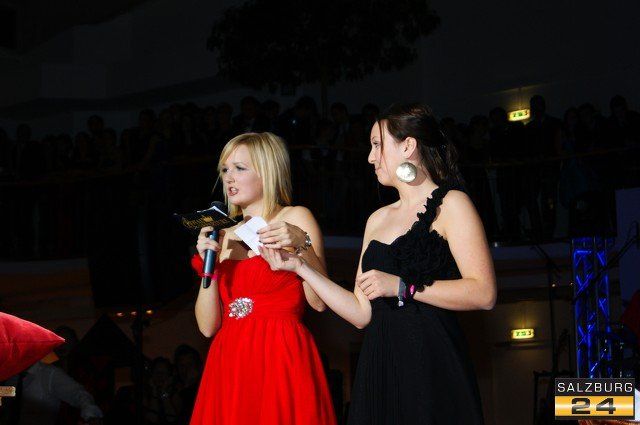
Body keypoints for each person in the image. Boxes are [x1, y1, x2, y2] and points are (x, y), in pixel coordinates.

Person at [260, 103, 496, 425]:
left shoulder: (452, 203)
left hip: (430, 361)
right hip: (379, 362)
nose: (371, 157)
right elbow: (361, 313)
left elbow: (483, 293)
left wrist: (402, 287)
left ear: (408, 146)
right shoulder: (376, 219)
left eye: (377, 145)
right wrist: (300, 266)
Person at [189, 132, 336, 425]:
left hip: (280, 351)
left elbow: (319, 303)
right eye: (225, 169)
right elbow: (207, 327)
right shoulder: (221, 235)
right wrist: (210, 267)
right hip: (230, 358)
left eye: (240, 168)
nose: (229, 177)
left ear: (267, 172)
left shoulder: (295, 218)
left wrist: (301, 245)